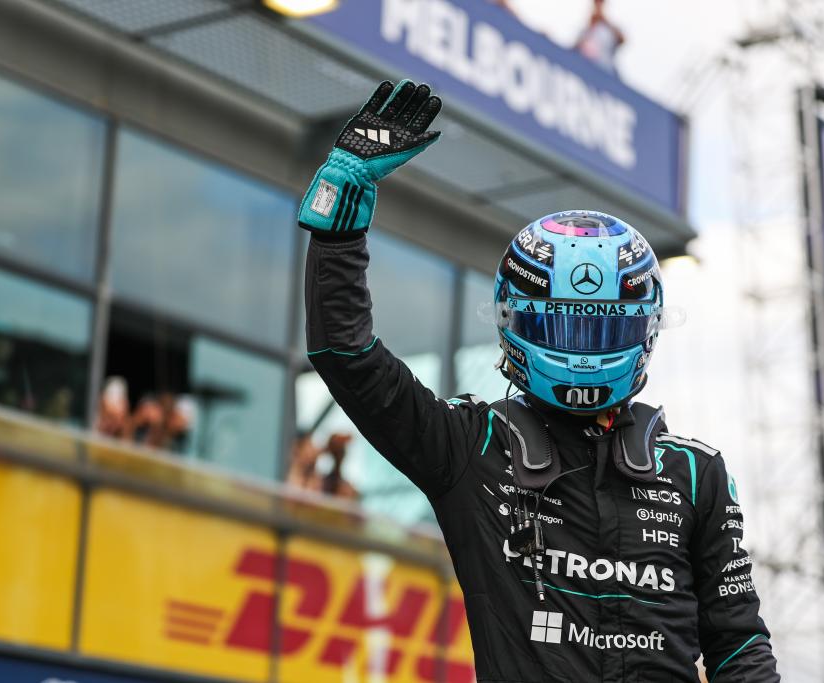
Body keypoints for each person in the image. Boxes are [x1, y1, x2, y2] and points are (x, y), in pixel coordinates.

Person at [295, 80, 779, 681]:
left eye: (601, 328)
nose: (582, 351)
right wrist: (338, 221)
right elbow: (346, 354)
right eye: (561, 325)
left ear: (645, 328)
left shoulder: (696, 474)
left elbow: (738, 645)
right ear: (513, 323)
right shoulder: (470, 447)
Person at [575, 0, 626, 75]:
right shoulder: (586, 29)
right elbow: (576, 48)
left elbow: (622, 39)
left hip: (605, 70)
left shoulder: (609, 29)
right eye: (596, 2)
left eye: (600, 2)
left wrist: (604, 20)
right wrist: (591, 26)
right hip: (586, 68)